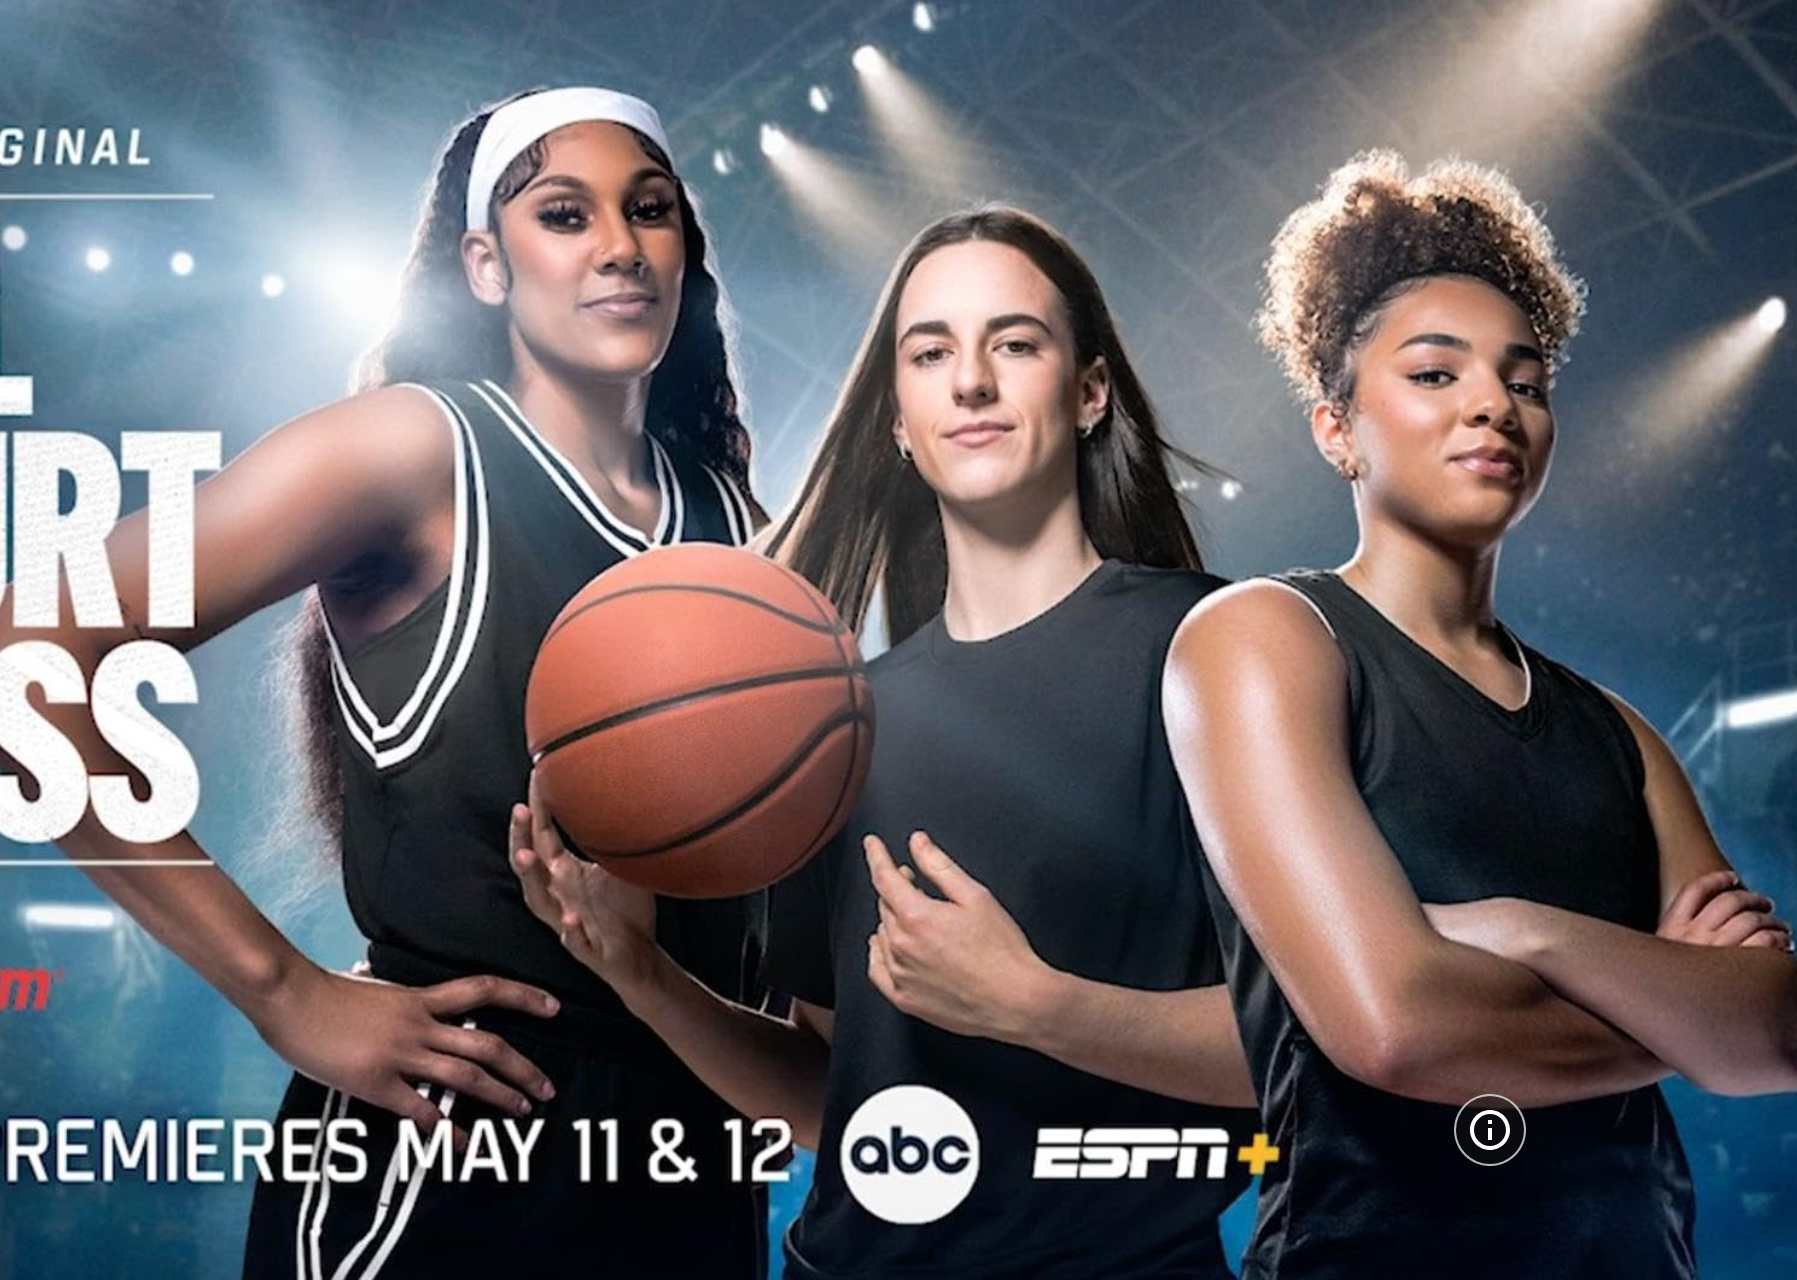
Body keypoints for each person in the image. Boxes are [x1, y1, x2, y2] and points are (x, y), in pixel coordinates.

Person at [0, 87, 772, 1279]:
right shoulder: (411, 448)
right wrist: (281, 988)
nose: (617, 244)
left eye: (648, 209)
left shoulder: (738, 523)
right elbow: (8, 656)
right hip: (451, 1135)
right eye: (562, 213)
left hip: (689, 1154)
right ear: (483, 264)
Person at [511, 206, 1259, 1280]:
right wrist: (641, 973)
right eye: (930, 353)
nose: (971, 382)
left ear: (1090, 391)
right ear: (900, 421)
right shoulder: (829, 725)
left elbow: (1326, 1042)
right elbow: (836, 1098)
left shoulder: (1212, 646)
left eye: (1014, 343)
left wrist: (1037, 1006)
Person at [1163, 150, 1797, 1279]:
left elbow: (1775, 1032)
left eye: (1525, 381)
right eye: (1433, 372)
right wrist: (1679, 1013)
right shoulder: (1265, 639)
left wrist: (1522, 929)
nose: (1493, 403)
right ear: (1336, 429)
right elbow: (1397, 1027)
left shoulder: (1621, 735)